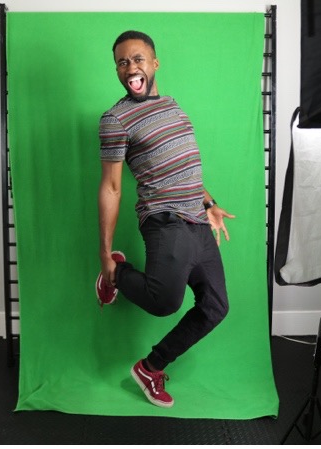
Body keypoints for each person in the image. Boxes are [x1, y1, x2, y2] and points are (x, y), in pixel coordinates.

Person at [96, 30, 234, 408]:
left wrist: (210, 202)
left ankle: (151, 367)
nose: (130, 68)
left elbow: (184, 165)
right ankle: (115, 274)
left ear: (154, 63)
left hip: (198, 221)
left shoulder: (173, 106)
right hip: (165, 220)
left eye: (137, 59)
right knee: (163, 302)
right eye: (122, 62)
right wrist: (105, 254)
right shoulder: (115, 119)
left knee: (215, 307)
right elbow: (110, 187)